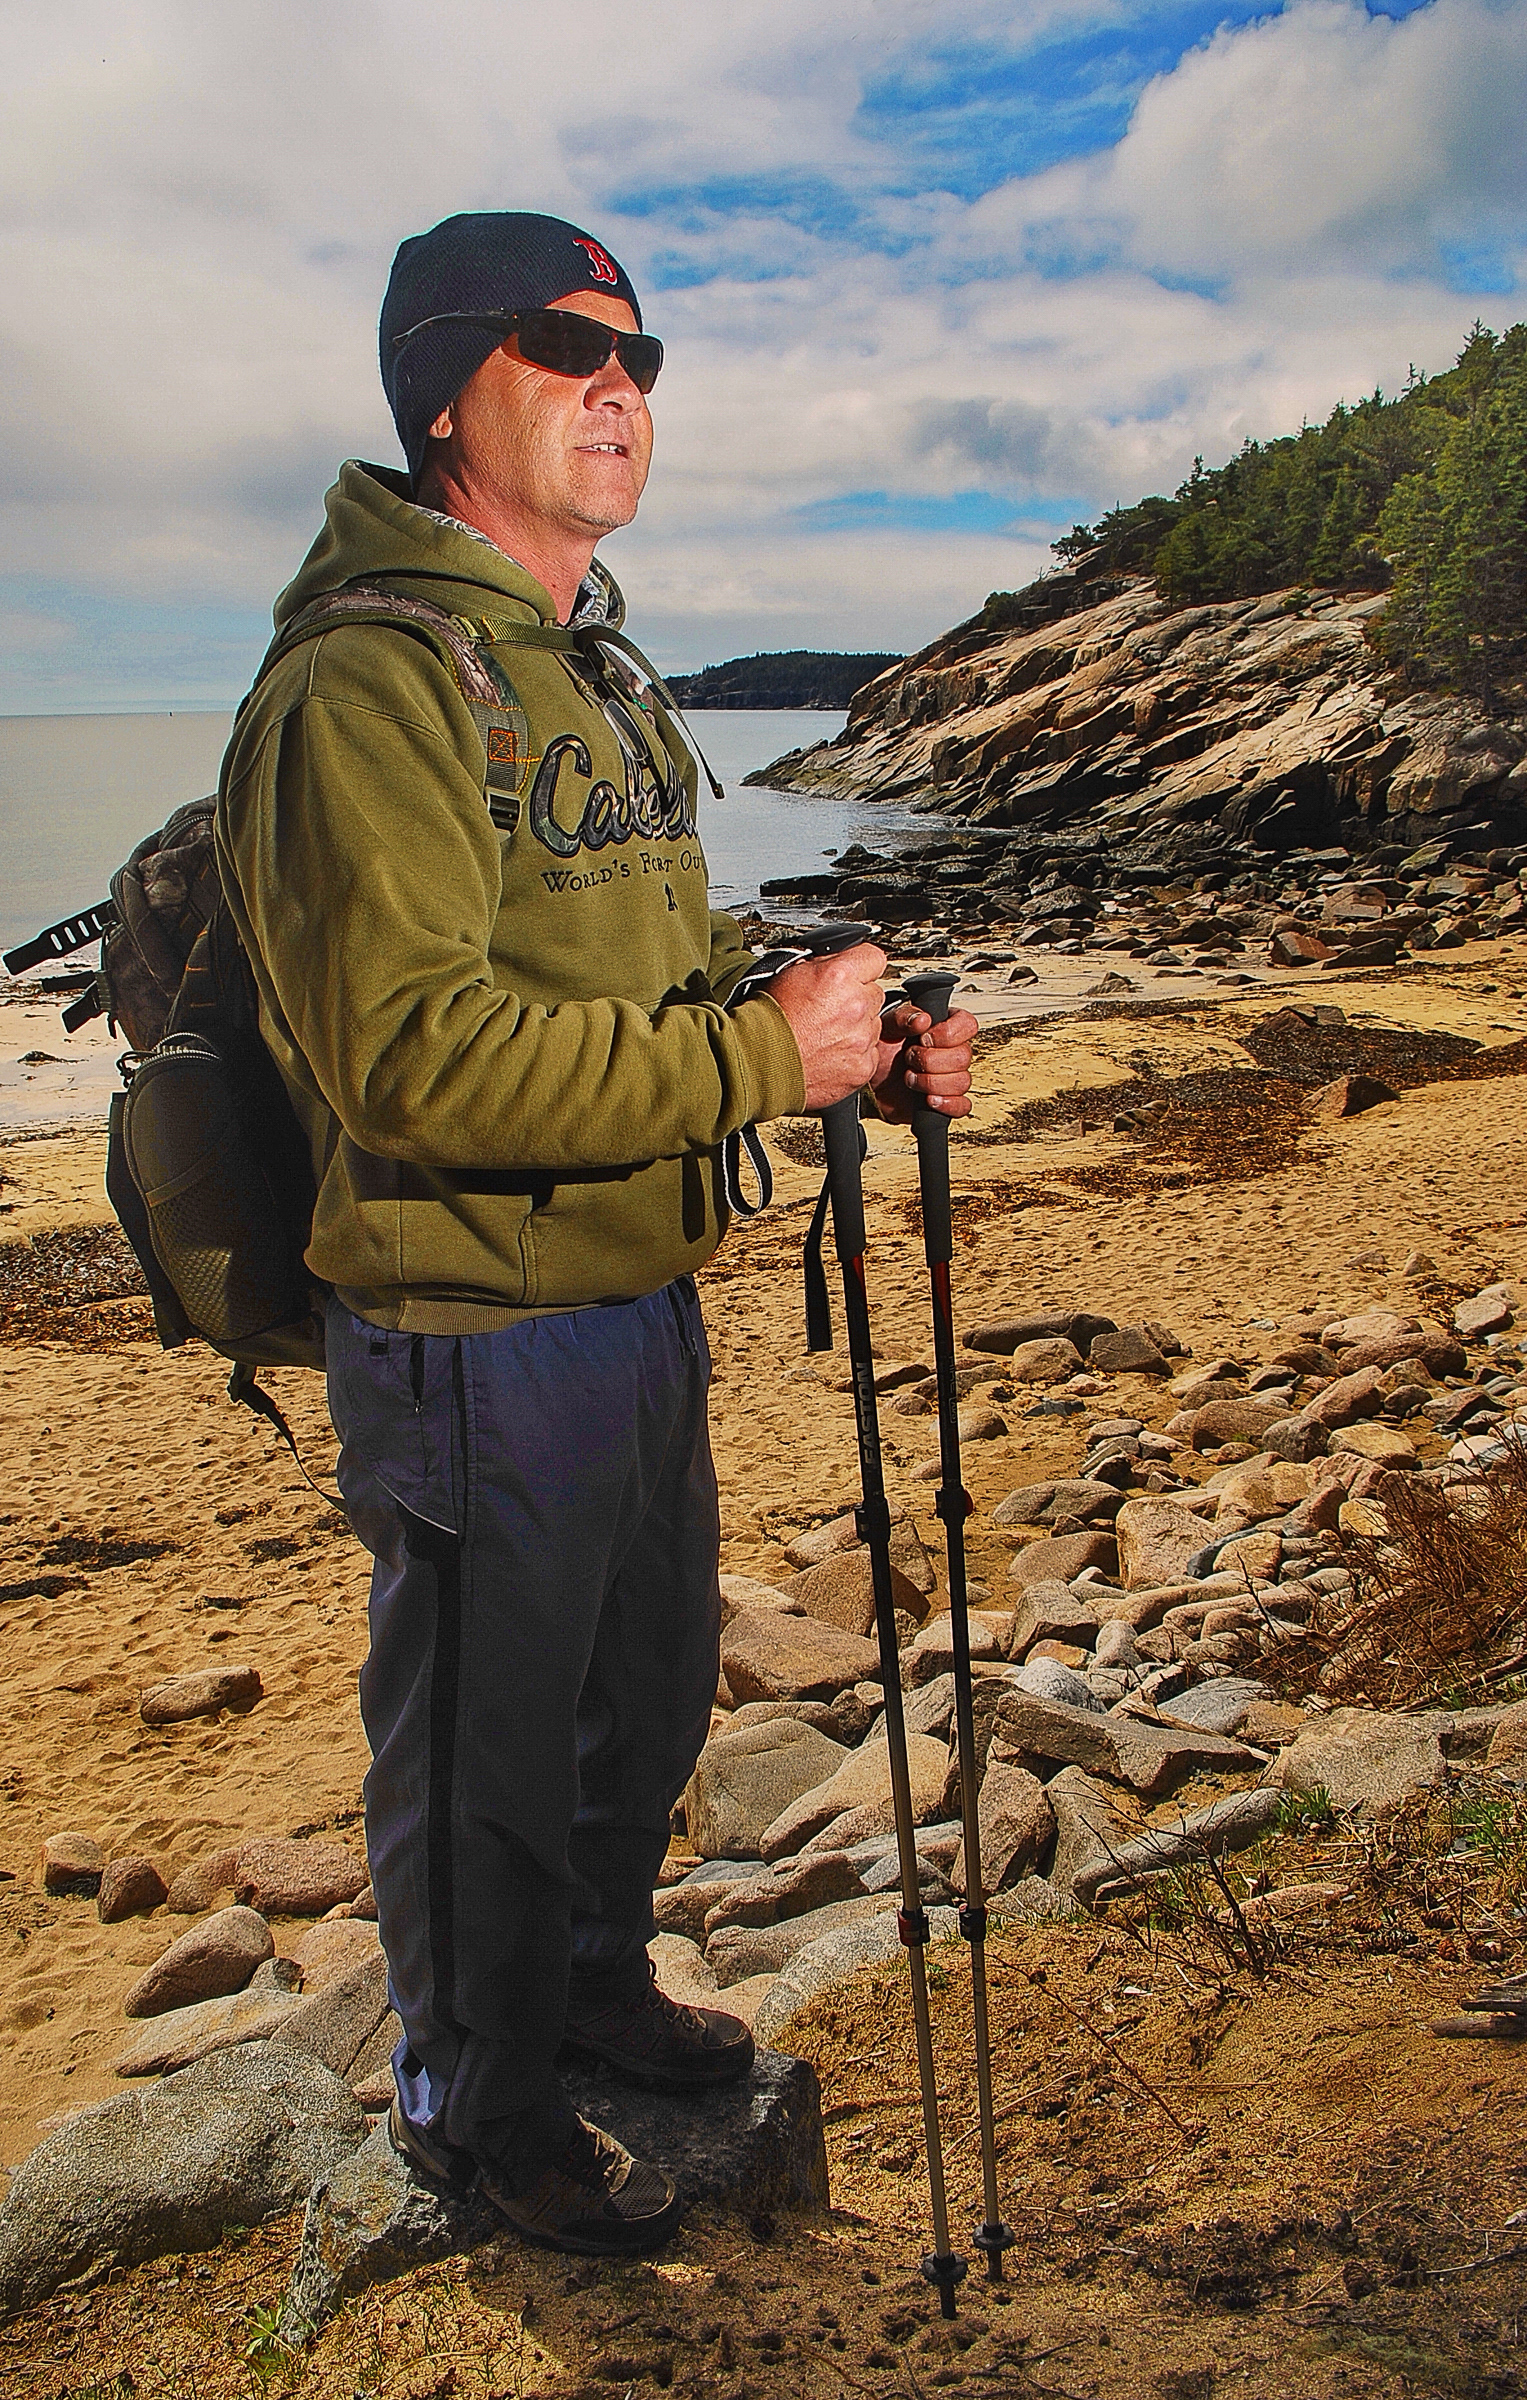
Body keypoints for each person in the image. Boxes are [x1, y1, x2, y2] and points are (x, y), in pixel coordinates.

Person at [216, 210, 976, 2258]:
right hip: (468, 1328)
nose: (618, 380)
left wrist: (843, 1034)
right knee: (479, 1738)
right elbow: (416, 1063)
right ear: (444, 392)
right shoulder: (365, 689)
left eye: (638, 351)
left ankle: (583, 1990)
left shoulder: (591, 672)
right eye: (562, 347)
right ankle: (474, 2117)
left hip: (631, 1296)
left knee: (634, 1705)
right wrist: (755, 1066)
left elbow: (642, 956)